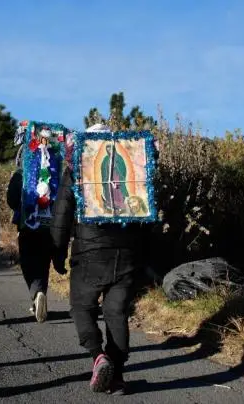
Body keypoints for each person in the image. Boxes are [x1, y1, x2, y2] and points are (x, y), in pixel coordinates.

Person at [50, 125, 153, 395]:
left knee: (81, 306)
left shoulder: (78, 166)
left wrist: (58, 251)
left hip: (90, 252)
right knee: (116, 312)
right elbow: (144, 211)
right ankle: (117, 375)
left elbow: (62, 212)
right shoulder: (134, 160)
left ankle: (98, 356)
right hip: (127, 254)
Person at [7, 147, 65, 323]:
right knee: (43, 262)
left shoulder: (21, 174)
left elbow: (11, 199)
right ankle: (40, 293)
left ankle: (36, 294)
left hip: (27, 225)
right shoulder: (56, 174)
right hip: (49, 226)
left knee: (27, 262)